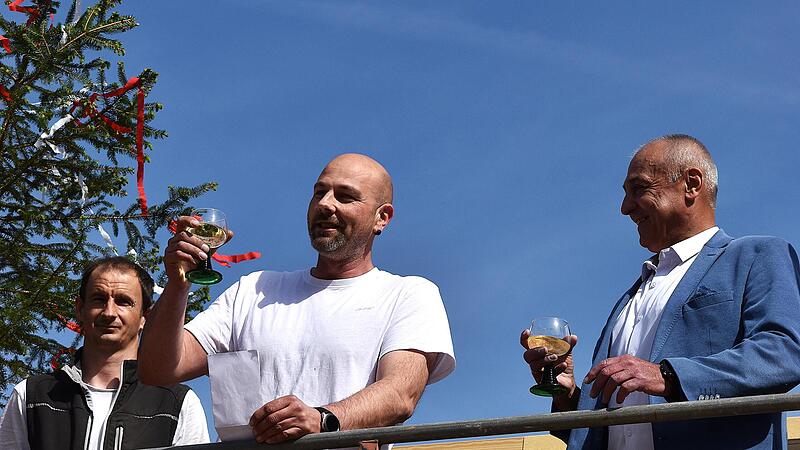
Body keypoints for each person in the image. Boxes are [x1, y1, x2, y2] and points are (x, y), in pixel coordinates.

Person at [139, 153, 456, 445]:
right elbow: (158, 368)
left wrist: (322, 419)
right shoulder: (254, 290)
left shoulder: (408, 294)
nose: (326, 204)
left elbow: (401, 394)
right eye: (320, 192)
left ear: (381, 218)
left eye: (345, 196)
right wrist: (178, 283)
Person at [522, 134, 800, 450]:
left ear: (692, 184)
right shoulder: (629, 298)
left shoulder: (757, 255)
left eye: (638, 189)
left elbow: (785, 353)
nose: (625, 208)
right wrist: (567, 395)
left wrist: (669, 376)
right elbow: (608, 424)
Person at [0, 256, 210, 450]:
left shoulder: (178, 403)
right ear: (80, 308)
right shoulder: (31, 395)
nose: (109, 312)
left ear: (144, 316)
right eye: (99, 299)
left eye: (123, 301)